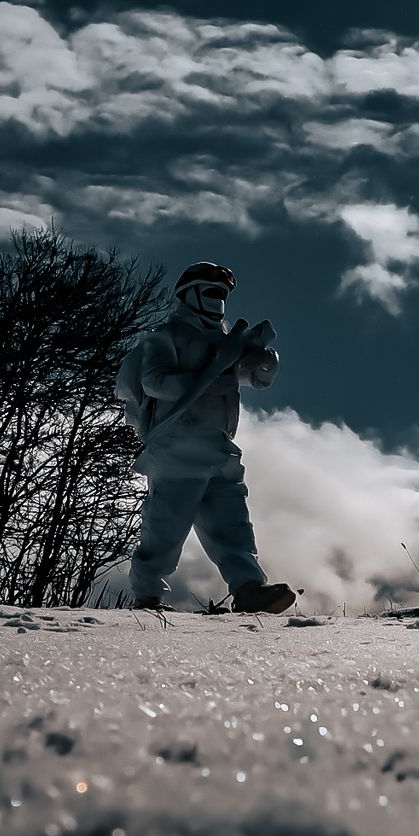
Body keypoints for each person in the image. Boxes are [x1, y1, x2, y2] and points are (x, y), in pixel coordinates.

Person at [117, 262, 298, 613]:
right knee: (166, 525)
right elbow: (155, 382)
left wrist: (266, 363)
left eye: (223, 293)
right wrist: (212, 379)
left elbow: (254, 376)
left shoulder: (224, 339)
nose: (218, 299)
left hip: (219, 446)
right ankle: (147, 595)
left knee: (232, 523)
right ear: (190, 294)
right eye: (211, 291)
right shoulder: (166, 336)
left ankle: (249, 588)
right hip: (178, 447)